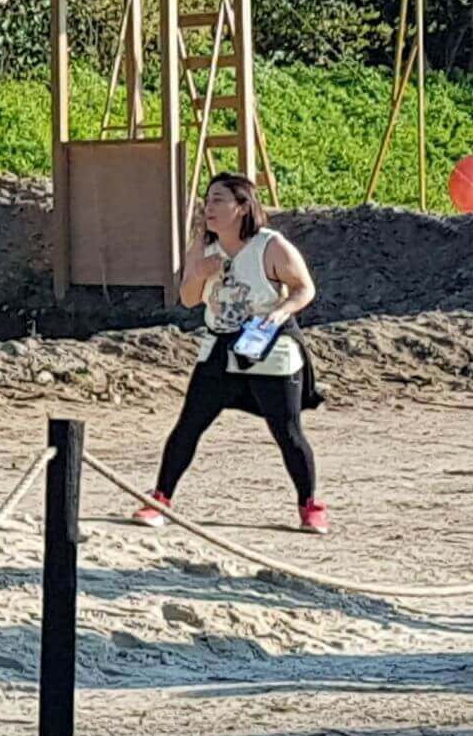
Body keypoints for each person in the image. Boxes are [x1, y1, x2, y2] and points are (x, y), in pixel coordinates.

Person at [132, 172, 329, 534]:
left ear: (242, 207)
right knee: (189, 425)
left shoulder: (270, 245)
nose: (209, 207)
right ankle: (160, 500)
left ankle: (310, 505)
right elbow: (189, 299)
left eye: (219, 200)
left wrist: (281, 311)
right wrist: (198, 273)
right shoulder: (202, 246)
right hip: (220, 344)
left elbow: (305, 288)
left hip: (268, 344)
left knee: (287, 431)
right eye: (207, 200)